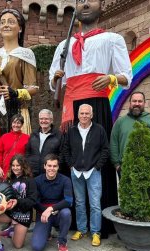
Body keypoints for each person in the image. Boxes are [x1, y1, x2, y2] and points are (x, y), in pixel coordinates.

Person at [50, 0, 132, 238]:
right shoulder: (64, 45)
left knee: (98, 157)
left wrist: (111, 79)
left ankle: (101, 223)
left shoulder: (112, 39)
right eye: (80, 1)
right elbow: (54, 83)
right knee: (72, 157)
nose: (85, 3)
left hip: (97, 101)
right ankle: (73, 220)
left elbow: (127, 74)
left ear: (102, 7)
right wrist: (56, 78)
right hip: (71, 104)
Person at [0, 8, 38, 135]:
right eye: (2, 22)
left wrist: (16, 93)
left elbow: (33, 89)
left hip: (17, 106)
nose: (6, 25)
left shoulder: (26, 54)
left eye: (11, 22)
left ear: (20, 28)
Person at [62, 104, 109, 247]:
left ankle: (95, 232)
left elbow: (105, 150)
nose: (84, 116)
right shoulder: (71, 130)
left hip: (93, 172)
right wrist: (71, 164)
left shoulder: (99, 130)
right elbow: (66, 149)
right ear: (78, 115)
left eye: (87, 113)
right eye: (81, 113)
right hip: (76, 172)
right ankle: (81, 229)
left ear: (92, 115)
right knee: (79, 203)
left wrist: (97, 166)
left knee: (95, 204)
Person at [0, 155, 37, 251]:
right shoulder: (7, 180)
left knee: (18, 245)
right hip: (10, 213)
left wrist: (17, 201)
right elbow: (0, 197)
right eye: (13, 165)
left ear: (23, 166)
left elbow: (33, 201)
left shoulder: (30, 181)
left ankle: (11, 231)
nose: (15, 168)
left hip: (23, 215)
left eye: (18, 165)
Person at [110, 91, 150, 178]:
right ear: (130, 103)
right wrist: (117, 165)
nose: (137, 104)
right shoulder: (120, 122)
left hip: (149, 167)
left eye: (140, 101)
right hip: (125, 167)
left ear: (144, 103)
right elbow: (114, 143)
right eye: (134, 101)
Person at [31, 154, 73, 251]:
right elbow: (34, 201)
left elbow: (69, 200)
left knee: (66, 213)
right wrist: (46, 210)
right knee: (37, 247)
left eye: (55, 166)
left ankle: (62, 242)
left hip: (58, 212)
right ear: (44, 166)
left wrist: (51, 208)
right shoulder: (37, 181)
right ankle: (47, 232)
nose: (52, 168)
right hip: (43, 215)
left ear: (58, 167)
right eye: (49, 166)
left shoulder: (65, 180)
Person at [25, 109, 63, 177]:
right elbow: (28, 152)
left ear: (51, 120)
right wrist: (29, 165)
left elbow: (62, 154)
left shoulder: (58, 135)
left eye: (46, 119)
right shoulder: (33, 134)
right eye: (41, 119)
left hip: (50, 174)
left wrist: (55, 168)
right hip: (33, 173)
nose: (43, 121)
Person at [0, 114, 30, 181]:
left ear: (22, 125)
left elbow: (28, 155)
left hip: (21, 169)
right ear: (11, 123)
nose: (16, 125)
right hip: (6, 169)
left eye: (18, 123)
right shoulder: (4, 137)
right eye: (14, 122)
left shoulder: (27, 138)